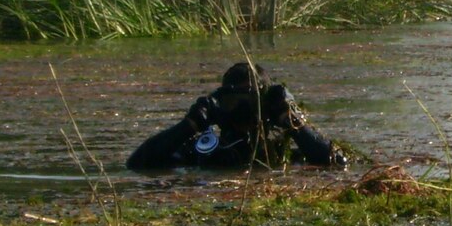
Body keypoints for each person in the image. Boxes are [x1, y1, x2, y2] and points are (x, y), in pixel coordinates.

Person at [127, 62, 345, 171]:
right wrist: (190, 124)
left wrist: (292, 120)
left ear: (265, 104)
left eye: (251, 101)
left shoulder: (283, 154)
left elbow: (336, 162)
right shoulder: (204, 151)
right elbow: (138, 164)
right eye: (233, 102)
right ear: (221, 104)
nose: (243, 110)